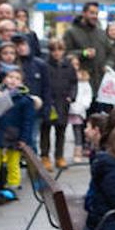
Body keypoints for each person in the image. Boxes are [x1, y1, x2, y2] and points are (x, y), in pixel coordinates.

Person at [0, 66, 41, 193]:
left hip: (14, 136)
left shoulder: (25, 100)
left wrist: (24, 139)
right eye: (10, 77)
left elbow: (28, 121)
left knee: (13, 163)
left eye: (17, 78)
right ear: (4, 79)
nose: (13, 80)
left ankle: (13, 184)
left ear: (21, 83)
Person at [41, 39, 77, 171]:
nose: (57, 53)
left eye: (59, 50)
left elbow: (74, 82)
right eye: (53, 50)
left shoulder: (68, 65)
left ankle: (59, 156)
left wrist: (71, 96)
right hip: (49, 101)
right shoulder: (45, 64)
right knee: (46, 129)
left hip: (63, 101)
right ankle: (45, 156)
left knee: (61, 129)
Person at [11, 33, 50, 150]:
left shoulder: (40, 64)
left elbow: (46, 88)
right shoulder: (11, 65)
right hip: (14, 109)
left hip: (34, 109)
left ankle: (33, 167)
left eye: (23, 44)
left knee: (31, 140)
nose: (20, 48)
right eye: (17, 45)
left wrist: (46, 108)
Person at [63, 2, 108, 100]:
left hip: (100, 84)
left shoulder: (101, 33)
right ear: (84, 13)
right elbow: (64, 54)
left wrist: (108, 65)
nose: (95, 16)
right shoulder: (71, 32)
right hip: (81, 83)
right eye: (92, 13)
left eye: (97, 13)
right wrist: (83, 53)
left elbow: (109, 52)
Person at [69, 67, 93, 162]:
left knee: (79, 129)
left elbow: (88, 97)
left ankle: (79, 150)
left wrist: (83, 106)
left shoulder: (85, 84)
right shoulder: (70, 82)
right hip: (68, 108)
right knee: (74, 130)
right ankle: (78, 149)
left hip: (79, 110)